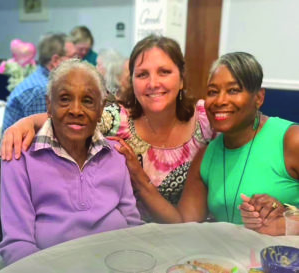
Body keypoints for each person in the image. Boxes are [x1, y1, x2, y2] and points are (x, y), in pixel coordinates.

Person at [0, 35, 214, 222]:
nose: (153, 83)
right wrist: (24, 123)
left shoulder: (205, 120)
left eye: (164, 72)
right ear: (131, 81)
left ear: (182, 79)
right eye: (142, 75)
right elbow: (71, 115)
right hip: (129, 235)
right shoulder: (116, 120)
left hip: (186, 232)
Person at [106, 51, 299, 231]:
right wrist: (140, 179)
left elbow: (287, 223)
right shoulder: (207, 155)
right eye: (213, 91)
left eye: (233, 90)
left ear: (258, 98)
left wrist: (287, 218)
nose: (220, 101)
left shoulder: (291, 140)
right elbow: (183, 224)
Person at [0, 59, 142, 266]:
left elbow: (133, 226)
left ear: (101, 108)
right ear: (49, 105)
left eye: (88, 100)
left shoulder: (115, 156)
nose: (76, 110)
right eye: (65, 99)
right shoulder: (19, 159)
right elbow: (17, 244)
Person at [2, 33, 77, 133]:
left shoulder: (41, 79)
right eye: (73, 57)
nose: (78, 62)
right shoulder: (41, 90)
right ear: (56, 60)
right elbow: (45, 138)